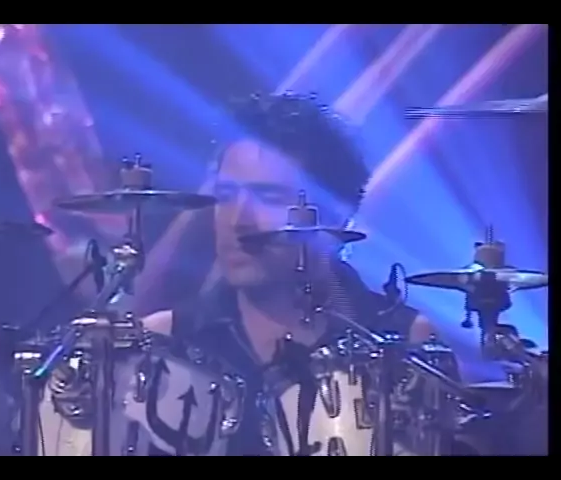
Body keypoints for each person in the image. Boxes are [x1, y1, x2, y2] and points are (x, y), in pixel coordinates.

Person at [141, 94, 438, 456]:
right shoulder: (167, 341)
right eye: (227, 196)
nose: (238, 221)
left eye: (268, 197)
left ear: (335, 213)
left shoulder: (404, 340)